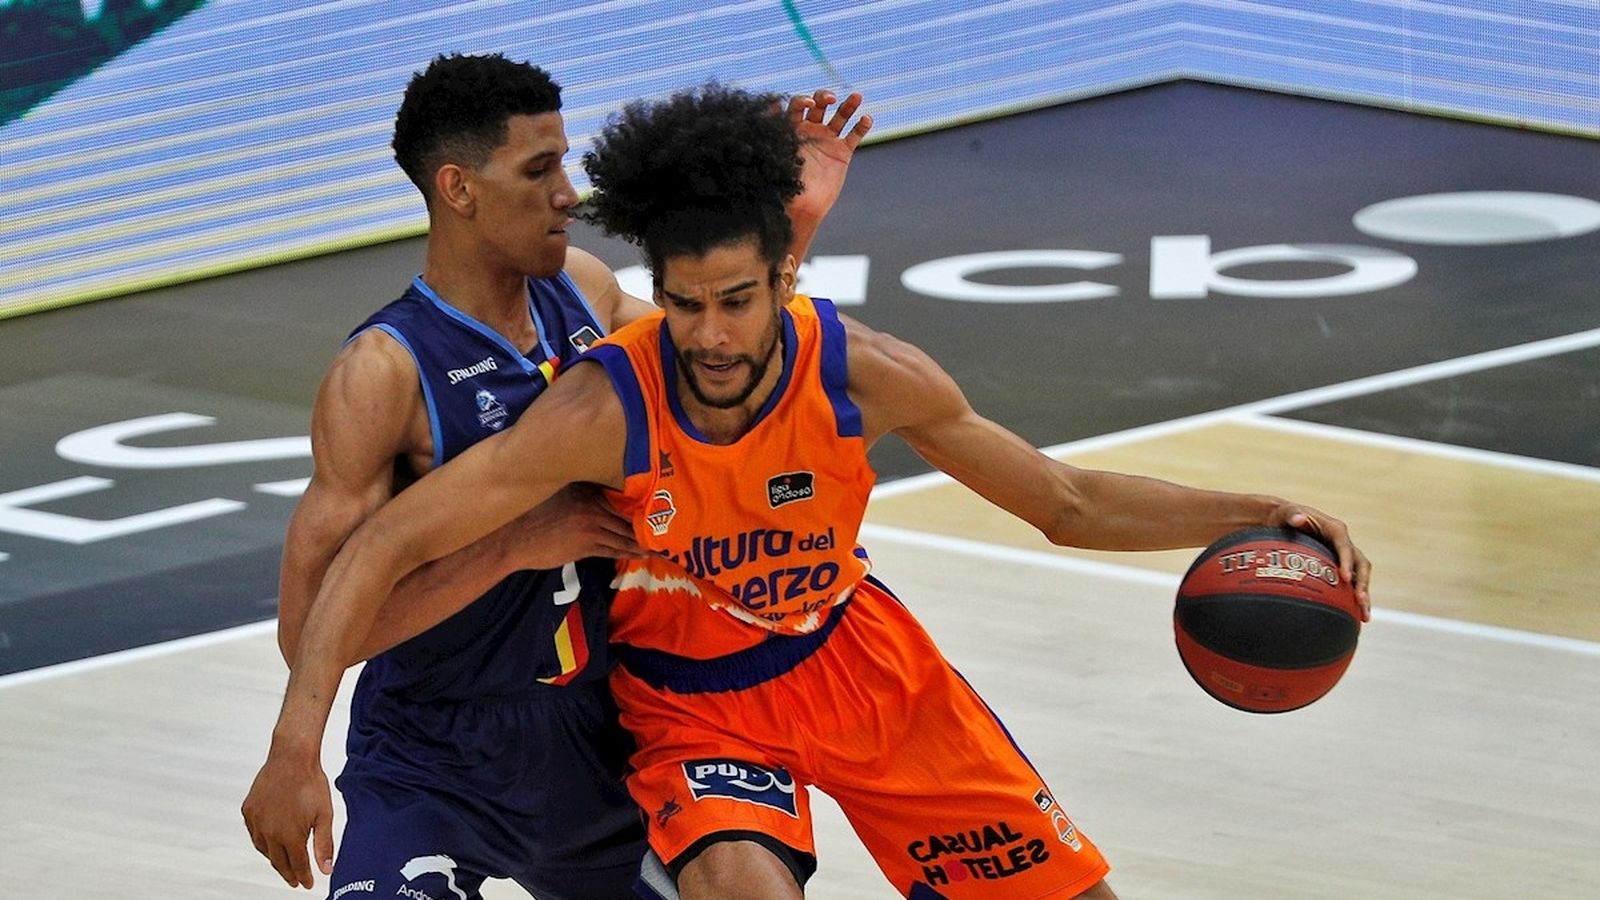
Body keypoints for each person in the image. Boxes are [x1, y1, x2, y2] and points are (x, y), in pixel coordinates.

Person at [263, 84, 1373, 899]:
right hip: (692, 699)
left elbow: (1065, 503)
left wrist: (1255, 510)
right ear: (658, 300)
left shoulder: (864, 371)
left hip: (862, 664)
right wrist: (293, 745)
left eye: (736, 302)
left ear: (785, 282)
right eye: (684, 307)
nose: (707, 337)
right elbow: (377, 548)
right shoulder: (603, 400)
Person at [240, 55, 873, 900]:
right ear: (459, 189)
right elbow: (307, 631)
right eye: (539, 170)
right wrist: (510, 549)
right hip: (436, 753)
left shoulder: (584, 290)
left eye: (565, 163)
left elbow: (726, 371)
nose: (568, 193)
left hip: (606, 729)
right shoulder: (382, 374)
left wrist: (786, 226)